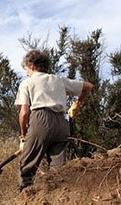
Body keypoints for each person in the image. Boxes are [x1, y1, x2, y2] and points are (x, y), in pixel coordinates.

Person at [15, 50, 94, 190]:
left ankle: (25, 199)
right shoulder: (59, 80)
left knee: (27, 166)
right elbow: (87, 87)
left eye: (26, 68)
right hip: (62, 124)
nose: (26, 72)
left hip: (41, 119)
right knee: (58, 169)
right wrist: (76, 105)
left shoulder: (27, 83)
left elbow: (24, 112)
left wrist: (23, 135)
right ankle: (56, 197)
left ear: (32, 66)